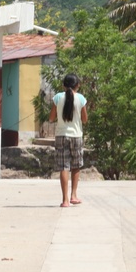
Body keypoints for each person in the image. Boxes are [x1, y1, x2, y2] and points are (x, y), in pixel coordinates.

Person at [50, 73, 88, 207]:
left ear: (63, 85)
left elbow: (51, 118)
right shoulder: (81, 99)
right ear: (77, 85)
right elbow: (84, 119)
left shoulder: (57, 97)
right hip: (76, 136)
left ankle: (65, 200)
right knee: (76, 166)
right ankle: (74, 195)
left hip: (61, 135)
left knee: (63, 167)